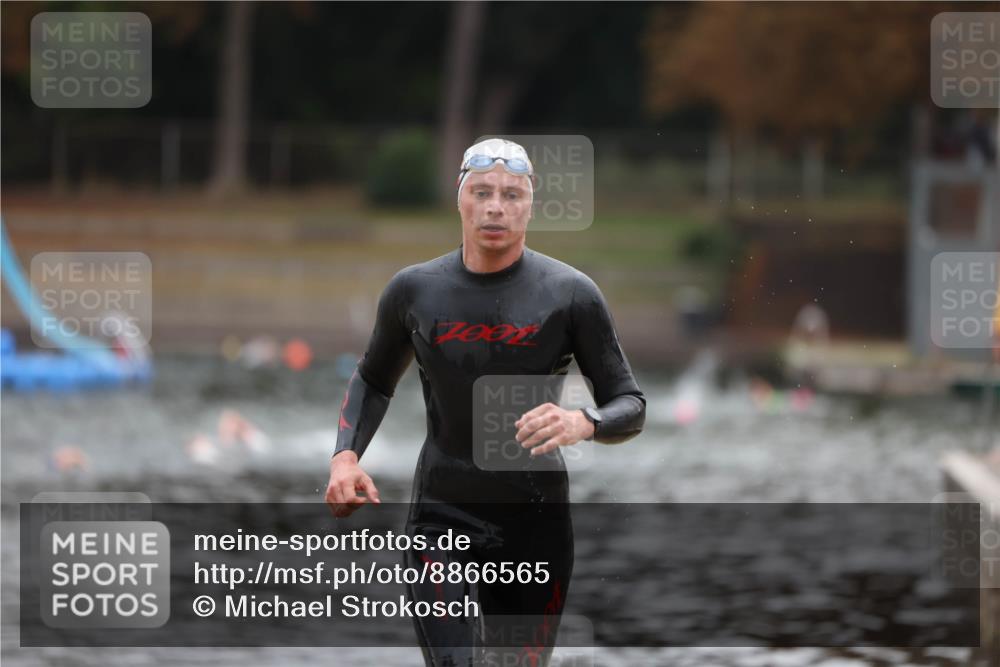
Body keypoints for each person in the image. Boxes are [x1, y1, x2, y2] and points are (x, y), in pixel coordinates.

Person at [325, 137, 646, 666]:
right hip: (442, 514)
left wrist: (583, 421)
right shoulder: (414, 291)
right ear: (460, 199)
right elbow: (373, 380)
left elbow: (629, 404)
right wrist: (345, 456)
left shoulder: (571, 294)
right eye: (482, 192)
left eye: (511, 194)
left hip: (535, 523)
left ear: (530, 205)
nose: (496, 206)